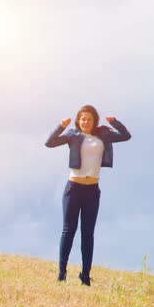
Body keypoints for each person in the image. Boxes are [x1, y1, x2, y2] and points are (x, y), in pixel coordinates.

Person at [45, 105, 131, 285]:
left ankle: (85, 275)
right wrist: (61, 126)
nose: (86, 122)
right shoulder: (72, 135)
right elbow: (50, 142)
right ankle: (62, 273)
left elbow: (126, 136)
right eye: (83, 119)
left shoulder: (103, 135)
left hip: (92, 190)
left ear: (94, 121)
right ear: (79, 120)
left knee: (88, 233)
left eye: (89, 119)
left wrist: (115, 122)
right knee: (68, 231)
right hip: (73, 188)